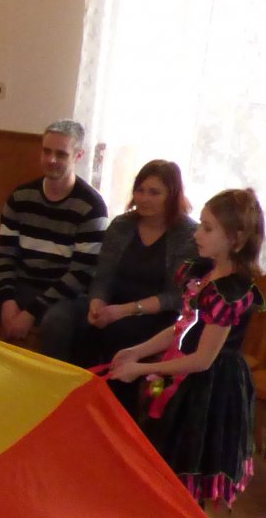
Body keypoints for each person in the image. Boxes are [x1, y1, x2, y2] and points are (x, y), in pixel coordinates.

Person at [109, 189, 266, 507]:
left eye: (207, 228)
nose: (197, 234)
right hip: (181, 373)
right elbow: (182, 327)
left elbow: (203, 360)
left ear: (235, 238)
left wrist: (143, 368)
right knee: (163, 458)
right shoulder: (202, 274)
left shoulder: (230, 292)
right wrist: (138, 351)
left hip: (209, 388)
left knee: (188, 463)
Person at [0, 121, 109, 346]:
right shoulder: (21, 197)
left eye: (61, 154)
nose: (51, 159)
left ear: (78, 156)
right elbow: (4, 254)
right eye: (46, 151)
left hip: (65, 296)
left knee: (56, 324)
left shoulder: (92, 206)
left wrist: (31, 312)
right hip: (20, 287)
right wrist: (7, 300)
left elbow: (81, 273)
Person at [52, 158, 198, 369]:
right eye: (140, 190)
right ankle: (70, 384)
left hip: (156, 313)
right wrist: (97, 303)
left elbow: (175, 296)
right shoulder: (122, 224)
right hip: (113, 303)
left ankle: (108, 388)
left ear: (172, 196)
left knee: (117, 334)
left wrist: (123, 311)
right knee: (66, 321)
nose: (144, 198)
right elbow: (103, 276)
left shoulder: (188, 234)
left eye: (154, 193)